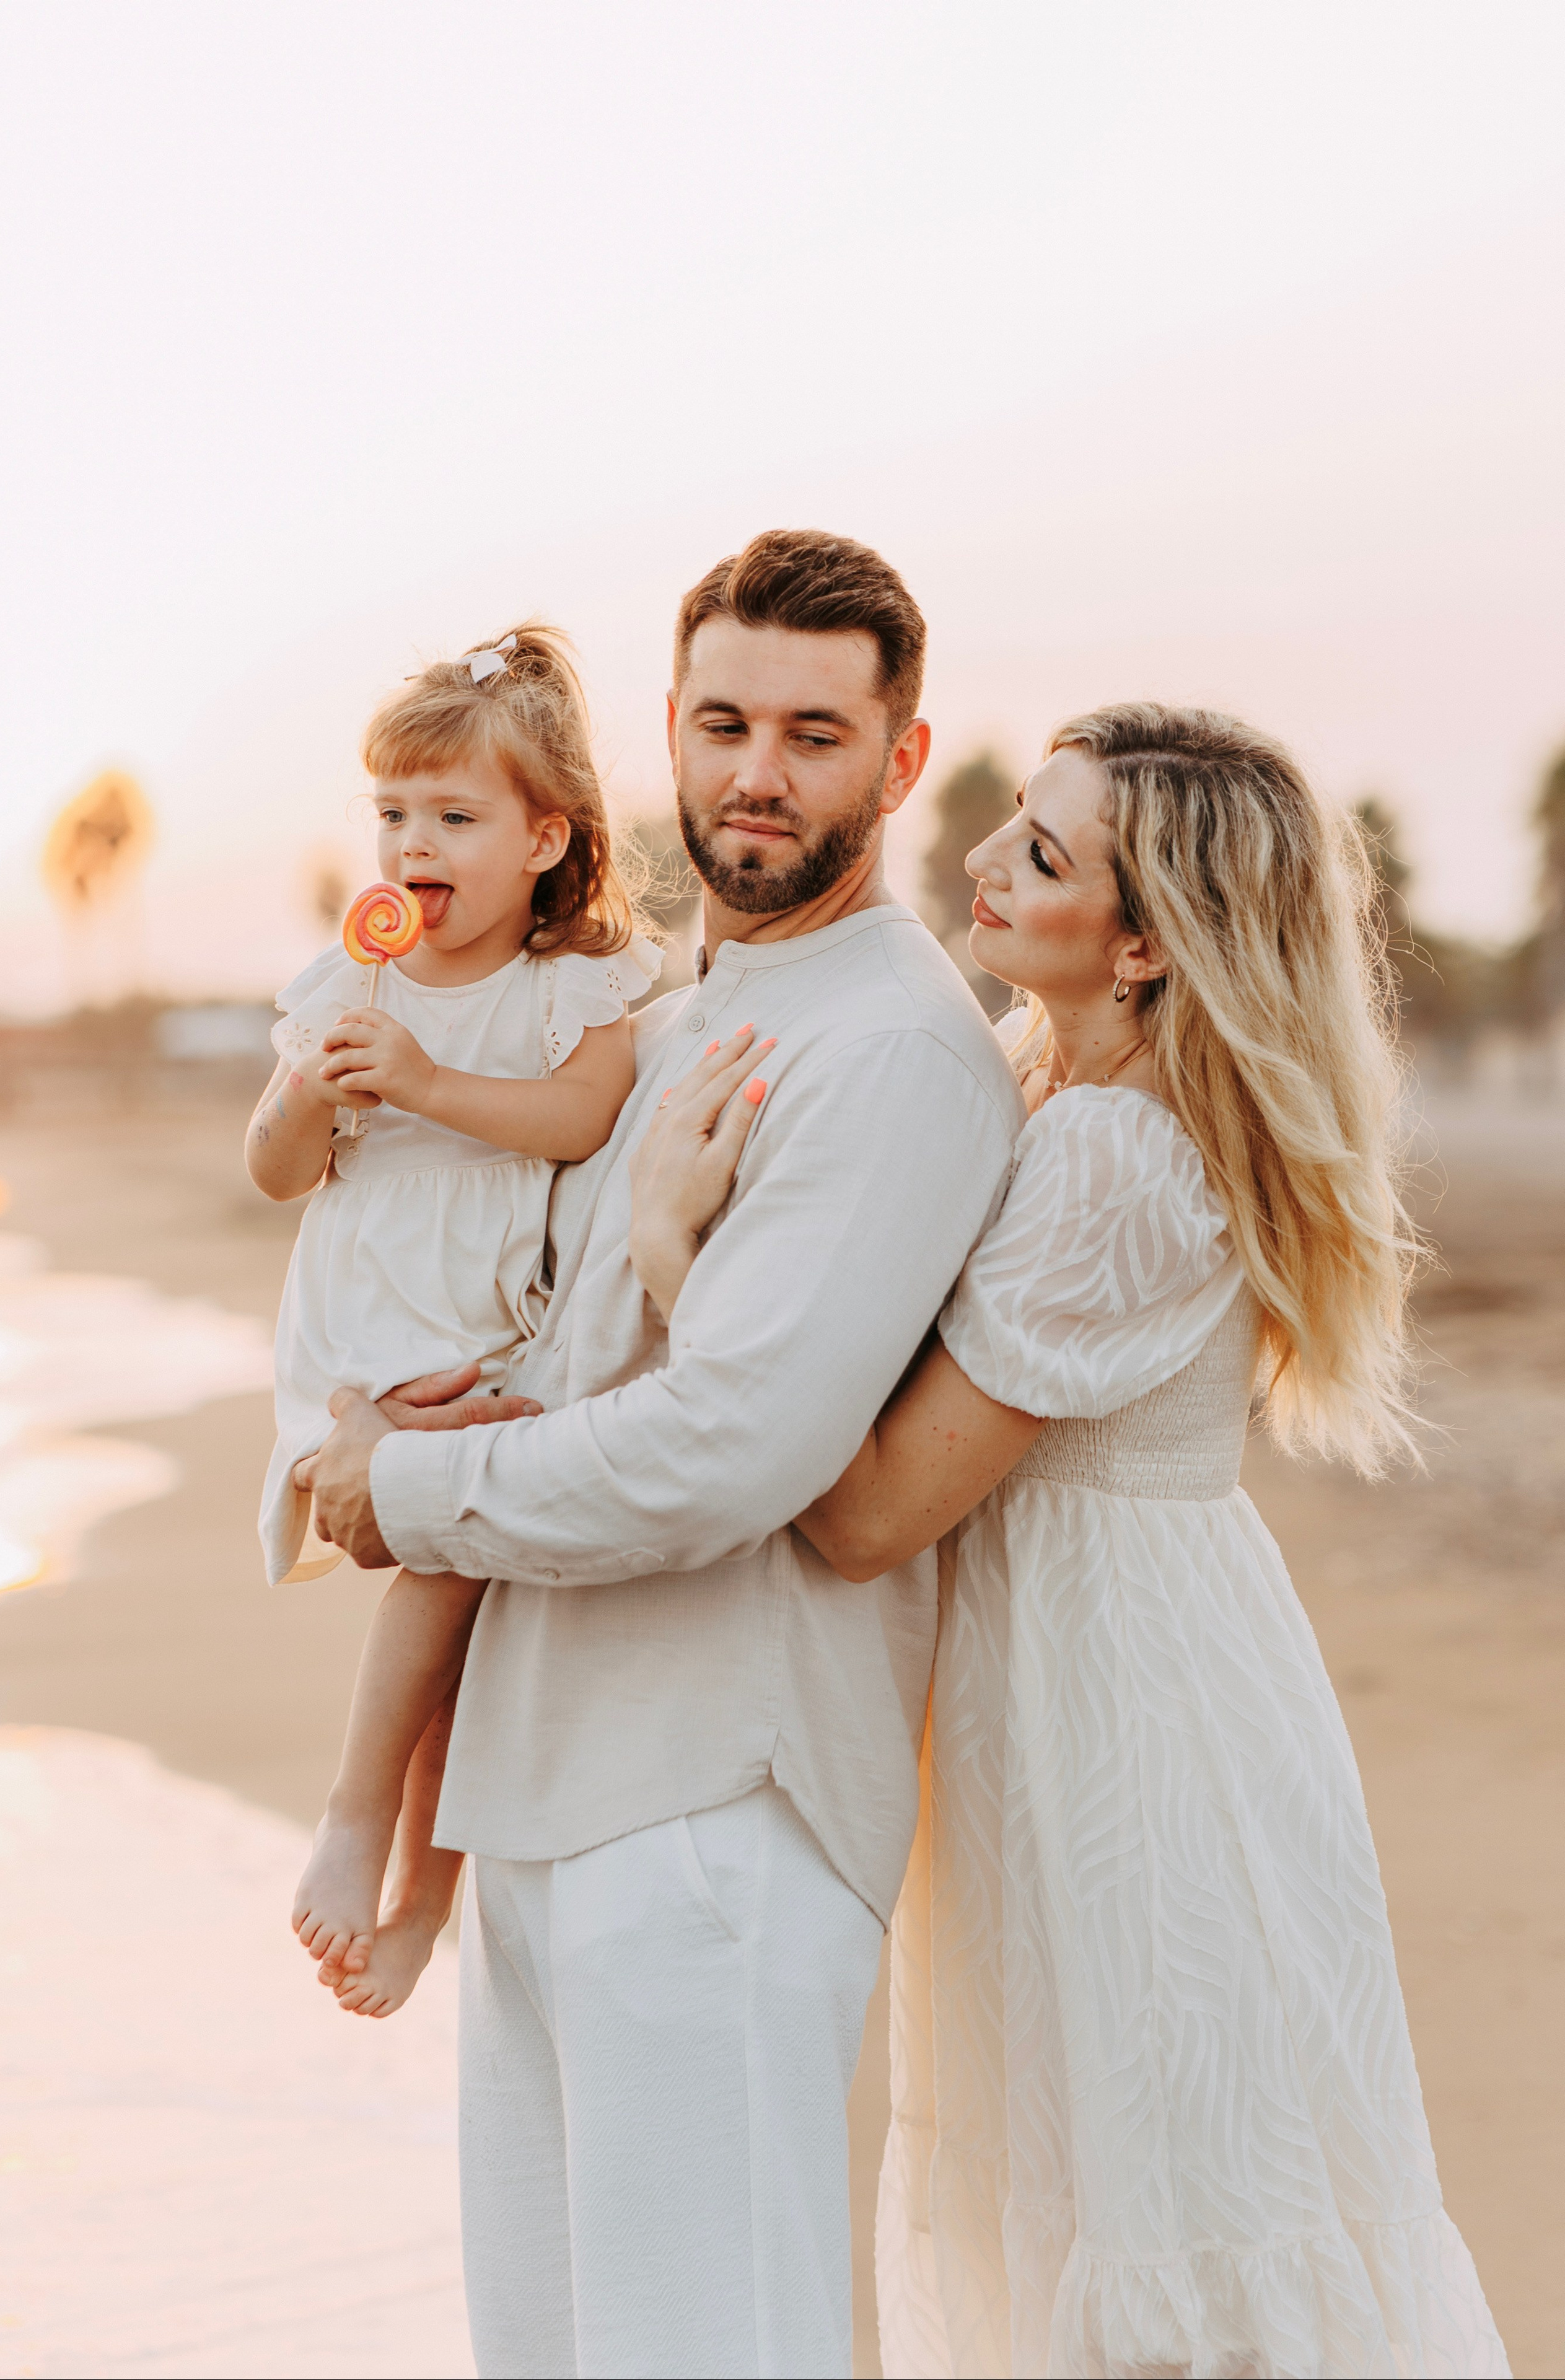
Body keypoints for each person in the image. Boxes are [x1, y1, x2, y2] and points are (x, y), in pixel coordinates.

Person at [634, 704, 1508, 2378]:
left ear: (1149, 945)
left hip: (1114, 1715)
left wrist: (683, 1271)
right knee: (1151, 2181)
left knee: (1145, 2194)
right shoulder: (1068, 1088)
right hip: (1142, 1664)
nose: (980, 856)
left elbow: (881, 1510)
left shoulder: (1114, 1153)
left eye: (1041, 852)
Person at [297, 529, 1028, 2380]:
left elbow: (730, 1451)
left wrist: (405, 1489)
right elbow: (558, 1338)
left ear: (901, 756)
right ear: (673, 734)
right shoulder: (669, 1019)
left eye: (813, 732)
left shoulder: (890, 1051)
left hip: (714, 1814)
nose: (757, 774)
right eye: (722, 723)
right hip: (538, 1795)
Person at [247, 623, 659, 2014]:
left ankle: (412, 1882)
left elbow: (580, 1116)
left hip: (489, 1334)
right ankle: (365, 1820)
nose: (412, 845)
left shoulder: (567, 990)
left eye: (455, 816)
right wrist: (314, 1089)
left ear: (546, 838)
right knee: (446, 1569)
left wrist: (423, 1082)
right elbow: (271, 1172)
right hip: (369, 1339)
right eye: (393, 814)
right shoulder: (347, 988)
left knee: (465, 1598)